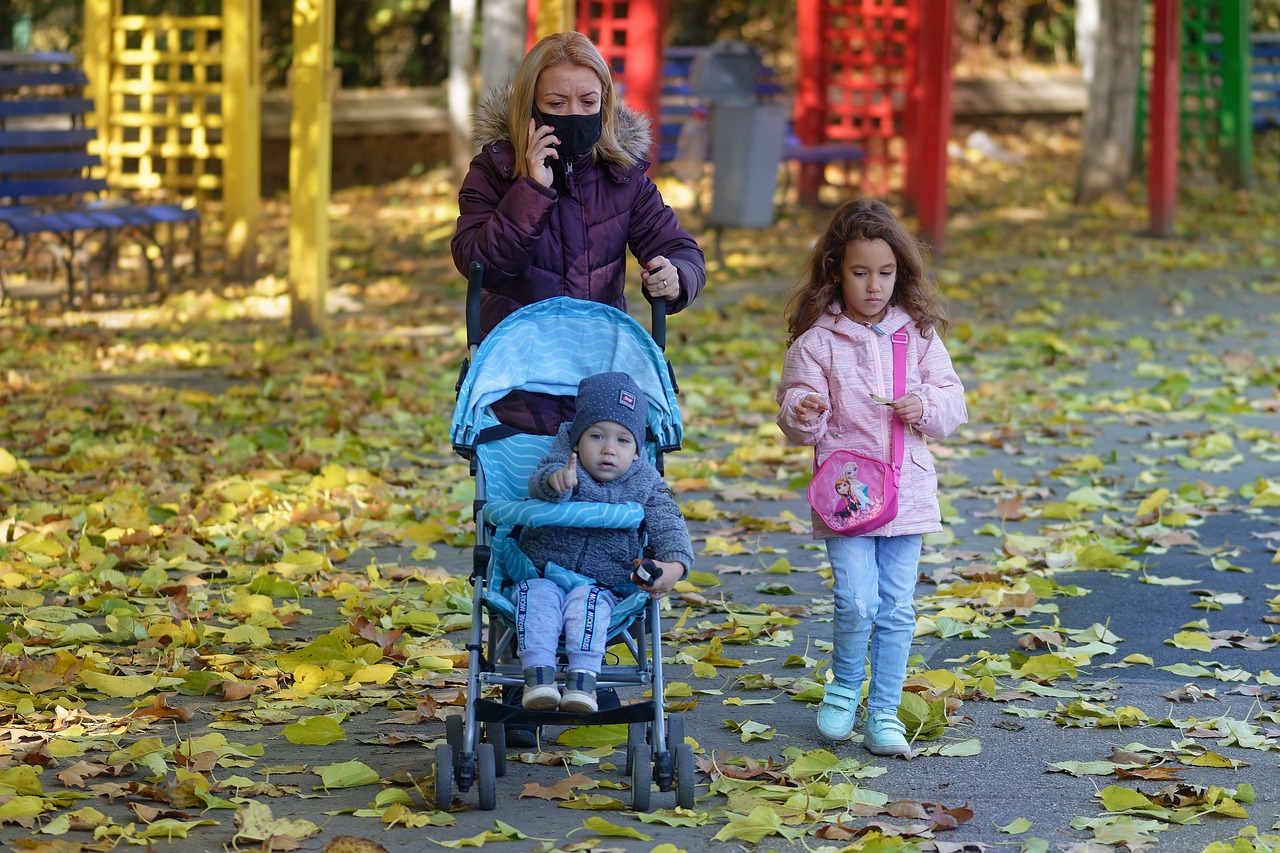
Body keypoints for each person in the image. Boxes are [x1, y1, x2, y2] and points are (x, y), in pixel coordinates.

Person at [775, 198, 967, 757]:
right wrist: (803, 410)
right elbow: (793, 408)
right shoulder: (817, 342)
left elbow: (953, 402)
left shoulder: (919, 336)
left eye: (885, 274)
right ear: (836, 269)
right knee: (856, 601)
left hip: (906, 492)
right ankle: (841, 689)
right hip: (848, 497)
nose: (874, 286)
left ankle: (884, 712)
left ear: (900, 273)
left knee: (896, 606)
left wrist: (925, 404)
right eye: (860, 273)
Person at [451, 31, 706, 436]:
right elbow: (482, 264)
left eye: (588, 102)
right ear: (529, 105)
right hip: (517, 376)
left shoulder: (621, 175)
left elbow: (679, 248)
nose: (573, 114)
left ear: (604, 105)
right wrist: (531, 189)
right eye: (556, 103)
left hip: (601, 380)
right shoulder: (494, 172)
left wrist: (676, 276)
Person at [515, 371, 694, 713]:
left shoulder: (645, 481)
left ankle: (583, 680)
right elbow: (538, 482)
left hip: (603, 584)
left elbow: (669, 522)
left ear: (638, 452)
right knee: (534, 596)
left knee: (589, 602)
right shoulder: (564, 464)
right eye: (596, 436)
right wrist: (555, 483)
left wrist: (674, 565)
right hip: (544, 571)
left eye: (623, 441)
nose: (608, 449)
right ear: (576, 441)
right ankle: (538, 678)